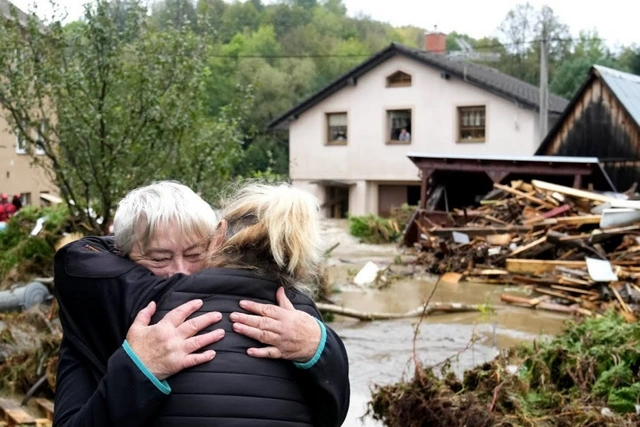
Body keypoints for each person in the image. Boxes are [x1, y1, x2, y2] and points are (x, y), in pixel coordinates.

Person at [54, 181, 349, 427]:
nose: (180, 271)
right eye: (159, 258)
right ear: (120, 257)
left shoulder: (293, 318)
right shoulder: (96, 313)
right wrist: (137, 370)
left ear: (216, 242)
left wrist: (318, 346)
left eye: (195, 254)